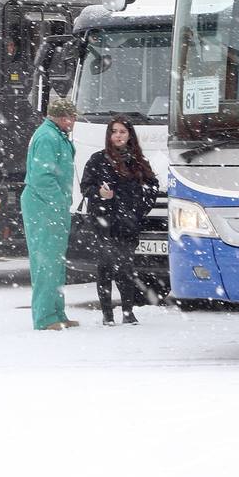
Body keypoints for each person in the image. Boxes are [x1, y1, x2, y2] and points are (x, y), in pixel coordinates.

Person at [80, 116, 160, 325]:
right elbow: (85, 187)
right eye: (114, 131)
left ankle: (128, 312)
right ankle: (107, 314)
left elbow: (152, 186)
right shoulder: (97, 159)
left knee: (126, 268)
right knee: (105, 267)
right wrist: (99, 193)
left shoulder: (138, 161)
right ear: (109, 135)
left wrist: (140, 210)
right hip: (103, 221)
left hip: (128, 224)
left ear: (129, 135)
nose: (118, 135)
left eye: (122, 132)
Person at [20, 96, 81, 331]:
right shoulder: (47, 137)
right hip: (44, 206)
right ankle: (45, 318)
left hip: (51, 206)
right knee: (45, 262)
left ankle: (57, 312)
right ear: (62, 117)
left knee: (55, 262)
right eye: (72, 116)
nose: (74, 120)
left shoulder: (57, 135)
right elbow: (41, 178)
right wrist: (58, 203)